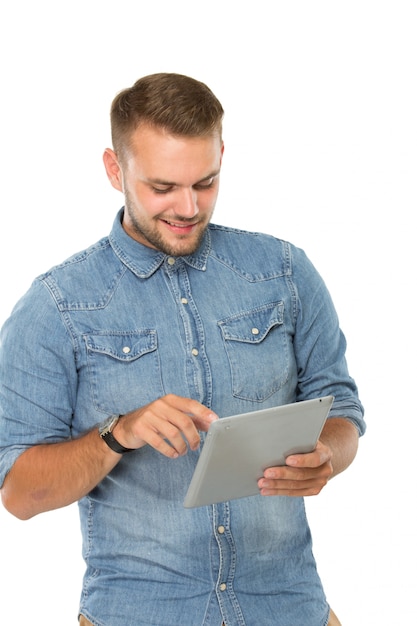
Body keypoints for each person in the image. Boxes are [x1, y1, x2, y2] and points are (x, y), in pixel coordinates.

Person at [0, 73, 365, 626]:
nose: (189, 207)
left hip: (288, 607)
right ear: (114, 169)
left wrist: (327, 456)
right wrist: (117, 434)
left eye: (207, 182)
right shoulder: (56, 307)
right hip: (138, 611)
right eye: (163, 187)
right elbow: (21, 495)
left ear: (222, 156)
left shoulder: (286, 273)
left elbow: (340, 409)